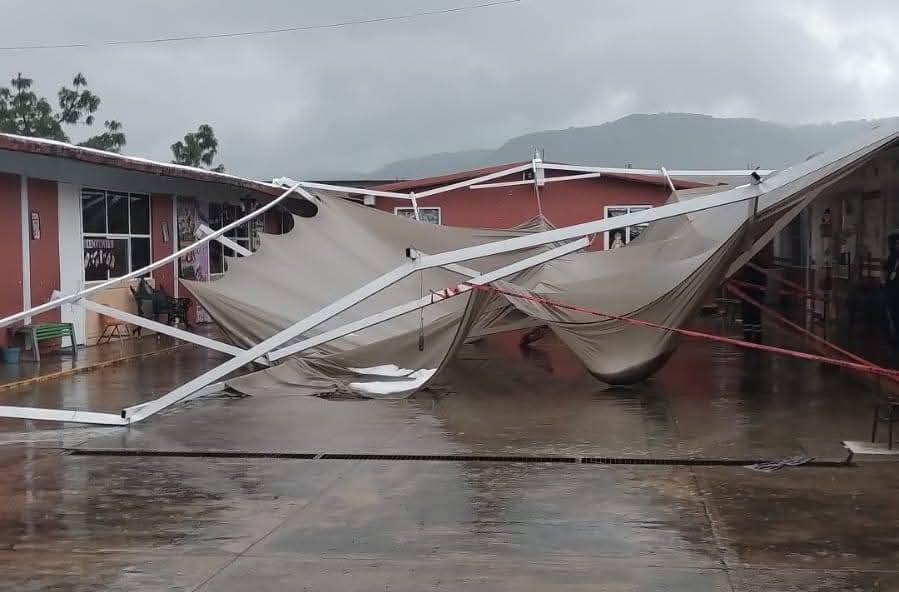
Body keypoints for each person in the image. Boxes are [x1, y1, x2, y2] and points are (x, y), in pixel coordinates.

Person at [736, 253, 768, 343]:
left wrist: (740, 291)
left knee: (748, 317)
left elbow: (741, 279)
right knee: (755, 317)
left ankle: (748, 338)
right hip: (754, 295)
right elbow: (763, 280)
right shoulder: (759, 265)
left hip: (748, 295)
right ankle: (756, 339)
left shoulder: (745, 266)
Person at [882, 231, 899, 344]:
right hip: (891, 288)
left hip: (895, 288)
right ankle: (893, 337)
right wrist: (884, 280)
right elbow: (885, 269)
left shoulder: (895, 254)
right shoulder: (892, 255)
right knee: (891, 313)